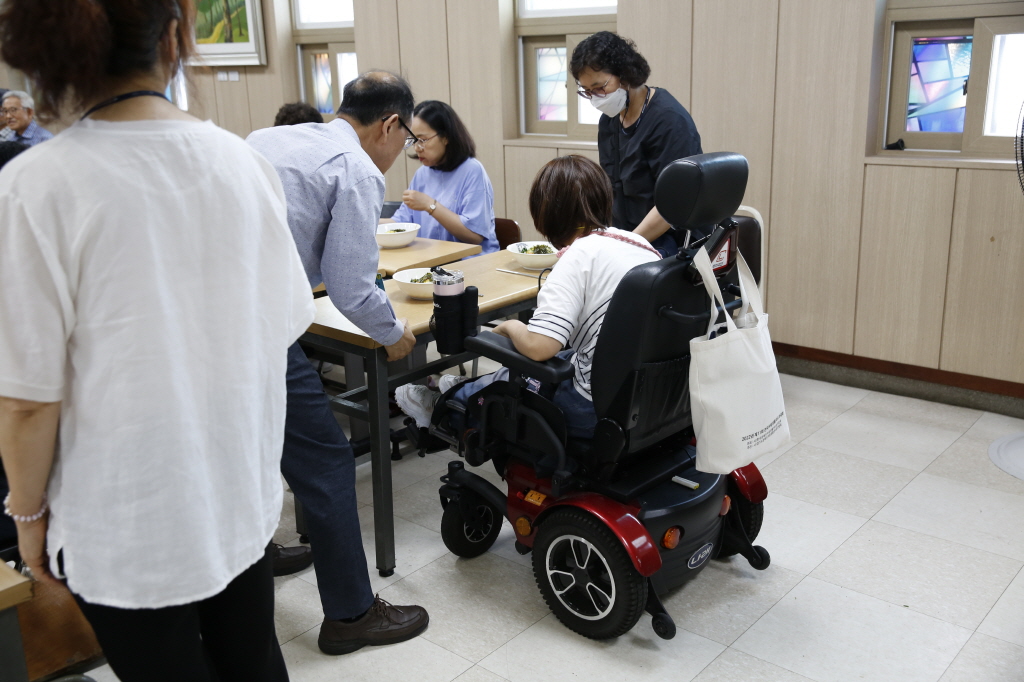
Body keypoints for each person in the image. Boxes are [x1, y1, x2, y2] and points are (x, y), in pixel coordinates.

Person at [0, 1, 314, 680]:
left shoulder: (35, 185)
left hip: (124, 513)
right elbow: (283, 325)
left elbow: (26, 399)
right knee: (252, 662)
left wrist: (26, 517)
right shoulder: (241, 161)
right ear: (174, 39)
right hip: (234, 486)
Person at [246, 72, 428, 656]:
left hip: (207, 322)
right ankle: (351, 615)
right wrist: (393, 334)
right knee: (326, 461)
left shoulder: (268, 138)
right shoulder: (356, 169)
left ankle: (255, 553)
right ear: (390, 124)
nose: (402, 151)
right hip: (258, 326)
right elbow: (351, 285)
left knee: (248, 445)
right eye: (407, 138)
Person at [396, 155, 661, 439]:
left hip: (594, 408)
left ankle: (444, 407)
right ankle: (466, 388)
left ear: (546, 214)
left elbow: (539, 348)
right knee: (558, 359)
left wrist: (511, 326)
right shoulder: (639, 243)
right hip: (651, 400)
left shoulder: (577, 256)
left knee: (526, 371)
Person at [570, 31, 702, 257]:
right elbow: (612, 189)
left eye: (600, 87)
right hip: (630, 237)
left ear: (625, 74)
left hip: (674, 242)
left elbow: (673, 204)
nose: (595, 98)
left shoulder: (668, 121)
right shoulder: (610, 121)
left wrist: (625, 245)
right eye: (587, 92)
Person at [384, 100, 497, 253]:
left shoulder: (472, 170)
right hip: (434, 259)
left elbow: (474, 236)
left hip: (471, 260)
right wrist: (366, 223)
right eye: (413, 140)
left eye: (423, 140)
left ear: (446, 137)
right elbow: (400, 222)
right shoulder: (422, 173)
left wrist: (430, 205)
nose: (417, 148)